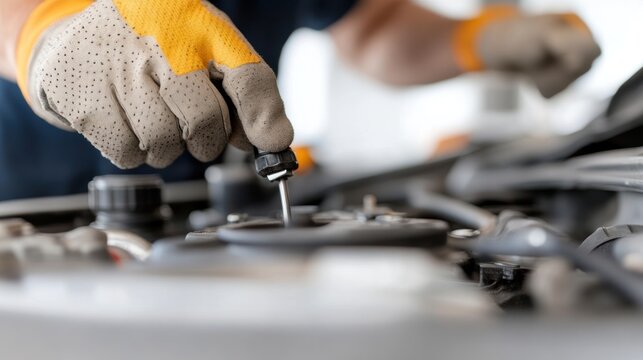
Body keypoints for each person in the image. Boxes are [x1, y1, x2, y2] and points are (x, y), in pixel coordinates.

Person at [0, 0, 600, 201]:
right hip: (22, 213)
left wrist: (475, 40)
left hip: (194, 207)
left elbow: (372, 28)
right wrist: (40, 28)